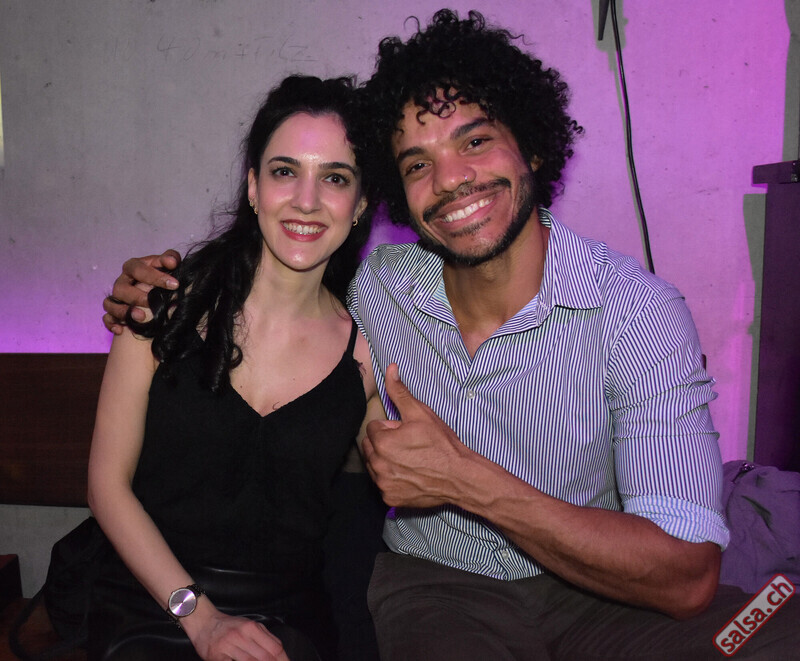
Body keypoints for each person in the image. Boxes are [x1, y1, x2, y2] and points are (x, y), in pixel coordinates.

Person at [102, 10, 799, 660]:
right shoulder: (379, 295)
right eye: (416, 163)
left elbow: (685, 576)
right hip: (441, 585)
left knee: (775, 631)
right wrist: (152, 287)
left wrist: (464, 479)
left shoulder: (637, 313)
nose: (451, 180)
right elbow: (272, 297)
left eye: (474, 140)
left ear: (531, 145)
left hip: (598, 590)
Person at [88, 75, 386, 661]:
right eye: (284, 171)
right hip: (152, 599)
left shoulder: (367, 357)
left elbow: (399, 493)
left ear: (361, 204)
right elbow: (106, 488)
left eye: (334, 177)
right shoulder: (162, 307)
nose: (306, 200)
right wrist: (200, 620)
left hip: (284, 618)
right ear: (253, 187)